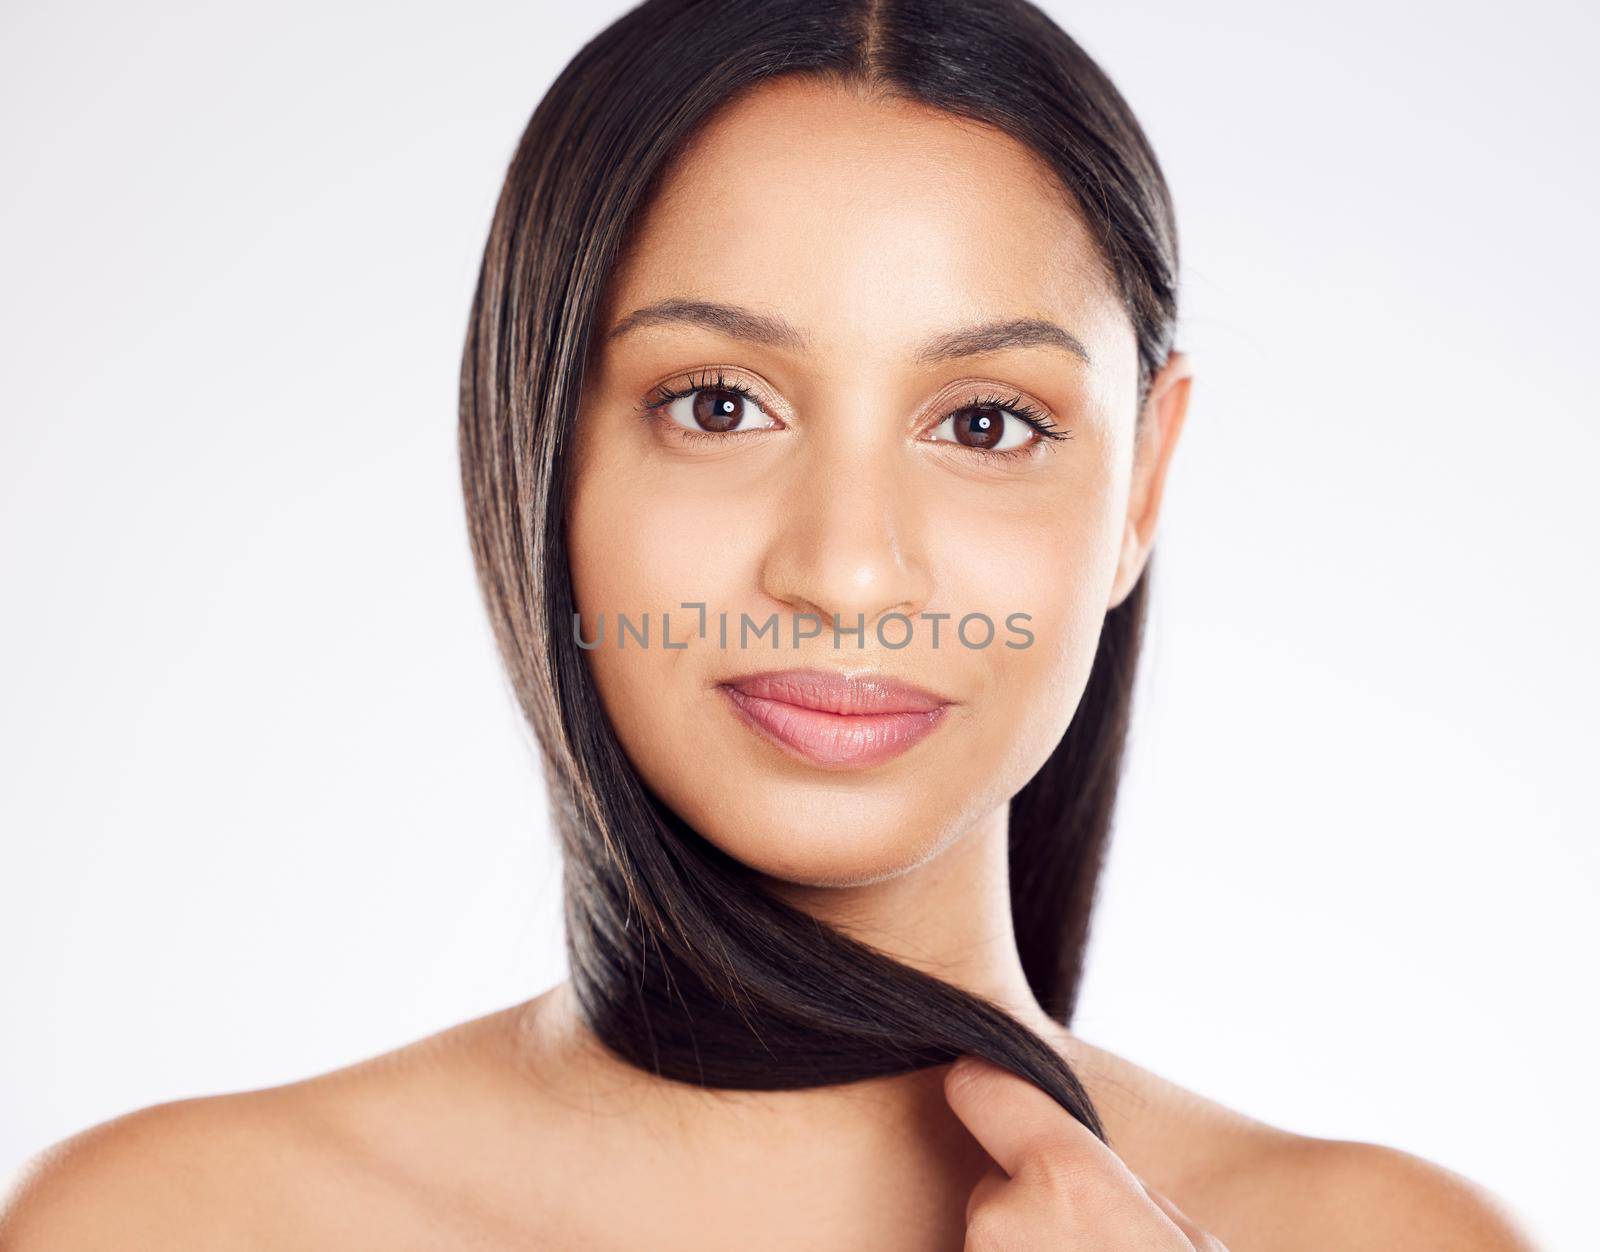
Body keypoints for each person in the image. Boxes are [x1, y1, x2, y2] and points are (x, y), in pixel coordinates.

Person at [0, 1, 1539, 1247]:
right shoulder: (169, 1223)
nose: (849, 573)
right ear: (532, 449)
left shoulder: (1385, 1237)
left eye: (989, 423)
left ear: (1142, 484)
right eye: (719, 404)